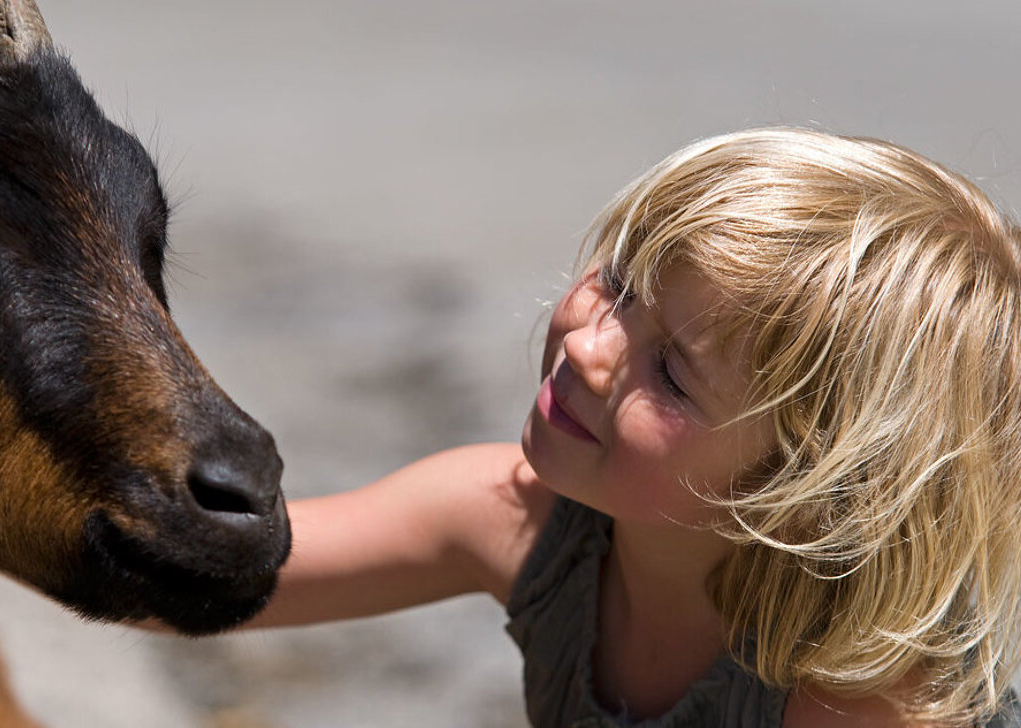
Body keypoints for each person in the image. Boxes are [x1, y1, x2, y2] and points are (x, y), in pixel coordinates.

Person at [246, 128, 1021, 727]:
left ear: (806, 496)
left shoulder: (858, 701)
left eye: (672, 373)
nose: (589, 347)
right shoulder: (517, 520)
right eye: (619, 283)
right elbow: (205, 564)